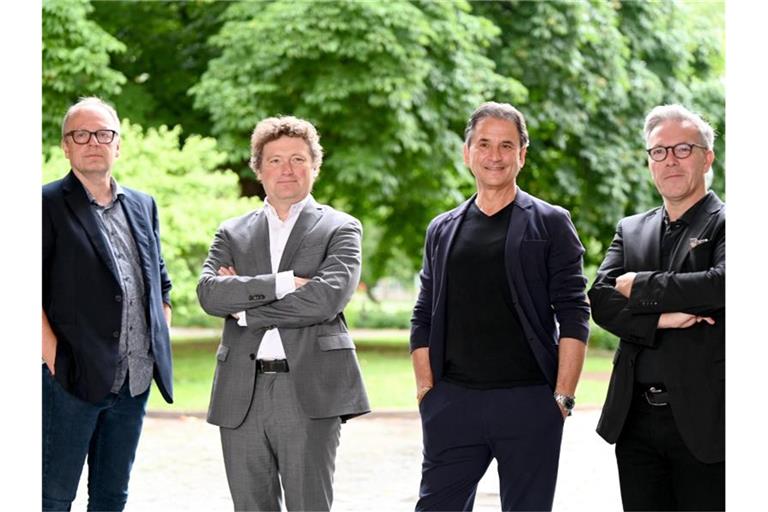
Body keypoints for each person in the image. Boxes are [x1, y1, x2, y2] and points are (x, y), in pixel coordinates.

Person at [410, 101, 590, 511]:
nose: (495, 156)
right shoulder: (442, 228)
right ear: (467, 152)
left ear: (522, 155)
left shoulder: (551, 222)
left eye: (507, 146)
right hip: (453, 403)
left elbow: (574, 312)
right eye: (485, 144)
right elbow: (423, 313)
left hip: (529, 402)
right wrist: (427, 391)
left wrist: (562, 397)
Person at [197, 115, 370, 511]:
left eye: (297, 159)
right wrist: (286, 283)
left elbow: (326, 300)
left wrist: (246, 309)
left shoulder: (341, 228)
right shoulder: (231, 232)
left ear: (315, 166)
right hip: (241, 390)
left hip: (309, 388)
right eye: (275, 160)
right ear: (258, 169)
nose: (287, 169)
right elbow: (209, 295)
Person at [589, 104, 725, 511]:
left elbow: (723, 284)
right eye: (659, 151)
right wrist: (665, 317)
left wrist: (641, 285)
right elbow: (600, 298)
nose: (670, 160)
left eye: (683, 149)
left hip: (709, 420)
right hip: (635, 421)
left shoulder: (731, 223)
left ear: (707, 157)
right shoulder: (630, 229)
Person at [42, 97, 174, 511]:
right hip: (70, 382)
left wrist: (154, 346)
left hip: (133, 384)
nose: (93, 142)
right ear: (66, 146)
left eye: (103, 134)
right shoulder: (43, 205)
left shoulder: (143, 205)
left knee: (111, 497)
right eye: (80, 134)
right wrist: (55, 360)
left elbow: (161, 284)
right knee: (53, 496)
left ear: (118, 144)